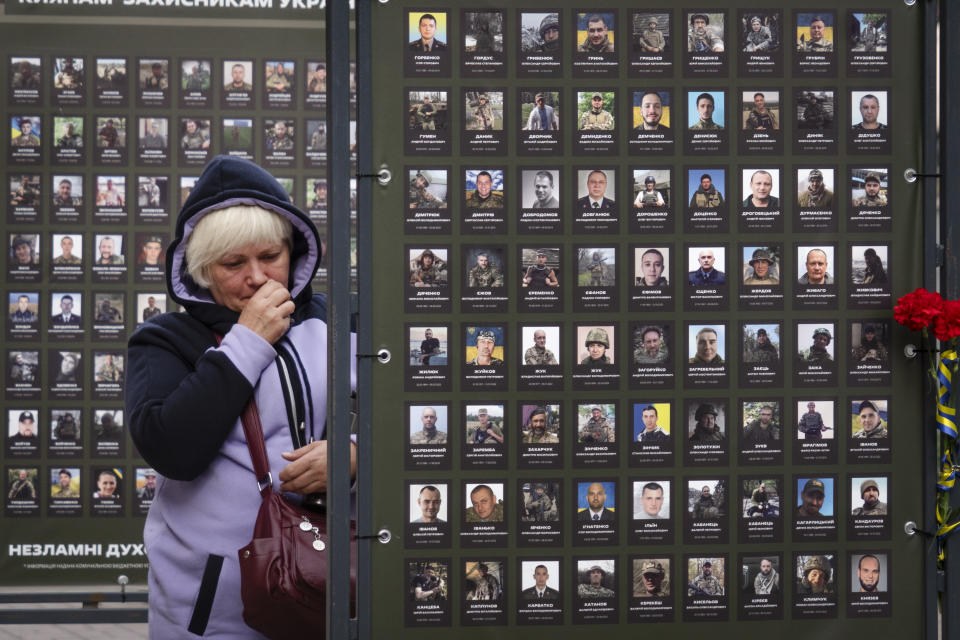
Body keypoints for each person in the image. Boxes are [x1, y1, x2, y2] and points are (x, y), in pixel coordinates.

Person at [126, 156, 355, 638]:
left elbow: (408, 420)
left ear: (294, 252)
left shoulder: (334, 323)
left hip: (329, 586)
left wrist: (353, 456)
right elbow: (171, 450)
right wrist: (247, 342)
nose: (257, 277)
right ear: (202, 270)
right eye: (234, 263)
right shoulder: (164, 339)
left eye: (270, 256)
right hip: (211, 610)